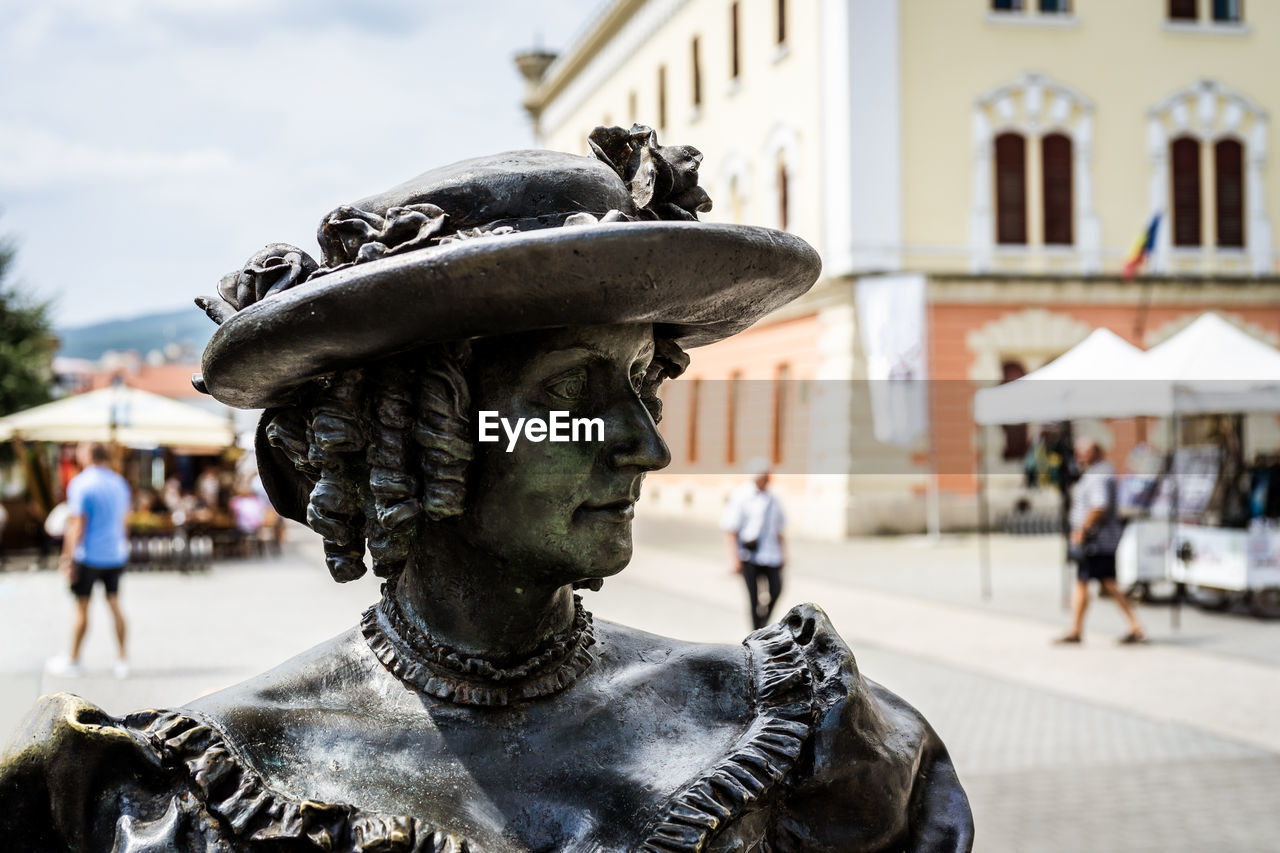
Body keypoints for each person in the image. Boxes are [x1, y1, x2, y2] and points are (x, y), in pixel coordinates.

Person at [0, 128, 973, 851]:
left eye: (640, 385)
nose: (643, 447)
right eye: (566, 397)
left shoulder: (802, 736)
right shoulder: (168, 802)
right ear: (408, 437)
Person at [45, 442, 131, 679]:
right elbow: (124, 521)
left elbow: (76, 526)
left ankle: (73, 659)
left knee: (82, 607)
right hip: (115, 553)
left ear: (89, 455)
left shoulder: (81, 483)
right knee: (115, 604)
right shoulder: (119, 482)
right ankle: (122, 659)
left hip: (90, 555)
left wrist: (67, 559)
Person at [1057, 437, 1146, 645]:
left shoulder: (1099, 475)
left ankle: (1135, 626)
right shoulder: (1096, 473)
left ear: (1096, 453)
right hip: (1096, 540)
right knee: (1088, 581)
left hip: (1097, 541)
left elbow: (1099, 506)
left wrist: (1083, 529)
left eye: (1084, 452)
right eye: (1078, 452)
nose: (1080, 457)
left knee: (1107, 583)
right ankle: (1076, 629)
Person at [722, 458, 787, 629]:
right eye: (764, 475)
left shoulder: (773, 498)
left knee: (776, 589)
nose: (767, 478)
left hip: (771, 554)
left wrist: (784, 554)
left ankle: (763, 622)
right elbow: (731, 529)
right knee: (753, 597)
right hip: (749, 554)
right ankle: (755, 631)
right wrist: (734, 558)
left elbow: (780, 530)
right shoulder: (741, 496)